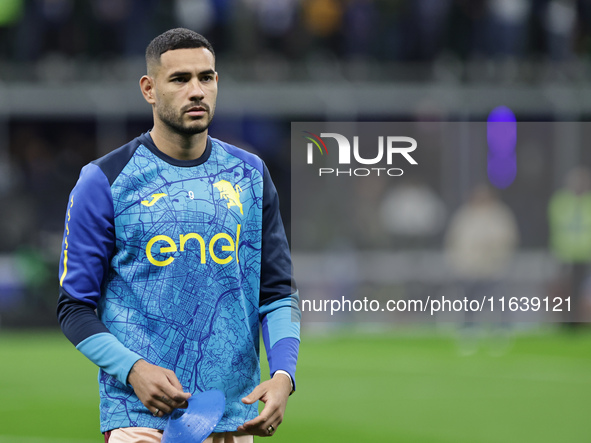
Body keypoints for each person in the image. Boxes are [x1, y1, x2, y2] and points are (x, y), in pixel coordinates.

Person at [56, 28, 300, 443]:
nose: (196, 91)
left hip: (234, 418)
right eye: (180, 79)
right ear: (149, 89)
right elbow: (74, 307)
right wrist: (134, 369)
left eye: (206, 78)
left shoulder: (251, 175)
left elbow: (277, 293)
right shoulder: (104, 181)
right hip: (141, 418)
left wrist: (283, 375)